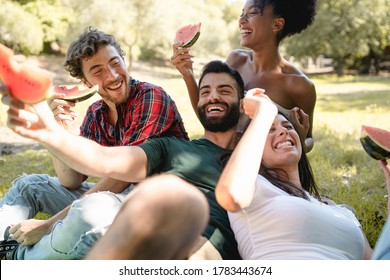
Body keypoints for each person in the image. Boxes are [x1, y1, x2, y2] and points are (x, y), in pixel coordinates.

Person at [1, 60, 243, 260]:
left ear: (242, 104)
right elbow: (105, 160)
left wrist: (49, 224)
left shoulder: (257, 154)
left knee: (93, 212)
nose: (212, 98)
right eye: (205, 92)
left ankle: (18, 256)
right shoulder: (171, 147)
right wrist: (51, 134)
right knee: (86, 207)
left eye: (224, 91)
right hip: (138, 225)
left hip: (196, 247)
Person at [0, 27, 188, 254]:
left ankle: (18, 257)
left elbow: (124, 176)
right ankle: (4, 243)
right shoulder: (96, 113)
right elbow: (71, 180)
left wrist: (48, 225)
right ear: (84, 81)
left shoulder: (152, 97)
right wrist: (63, 130)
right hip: (117, 199)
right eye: (97, 71)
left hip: (157, 205)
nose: (112, 75)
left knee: (87, 213)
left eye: (115, 62)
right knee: (29, 186)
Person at [215, 88, 374, 259]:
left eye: (287, 126)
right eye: (269, 129)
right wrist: (265, 111)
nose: (283, 131)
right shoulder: (253, 186)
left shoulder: (342, 213)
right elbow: (231, 195)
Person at [171, 0, 317, 152]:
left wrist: (298, 137)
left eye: (252, 13)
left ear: (276, 25)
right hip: (222, 157)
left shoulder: (299, 85)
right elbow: (210, 119)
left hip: (264, 169)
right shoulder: (236, 60)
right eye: (242, 14)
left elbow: (308, 140)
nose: (241, 20)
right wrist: (188, 75)